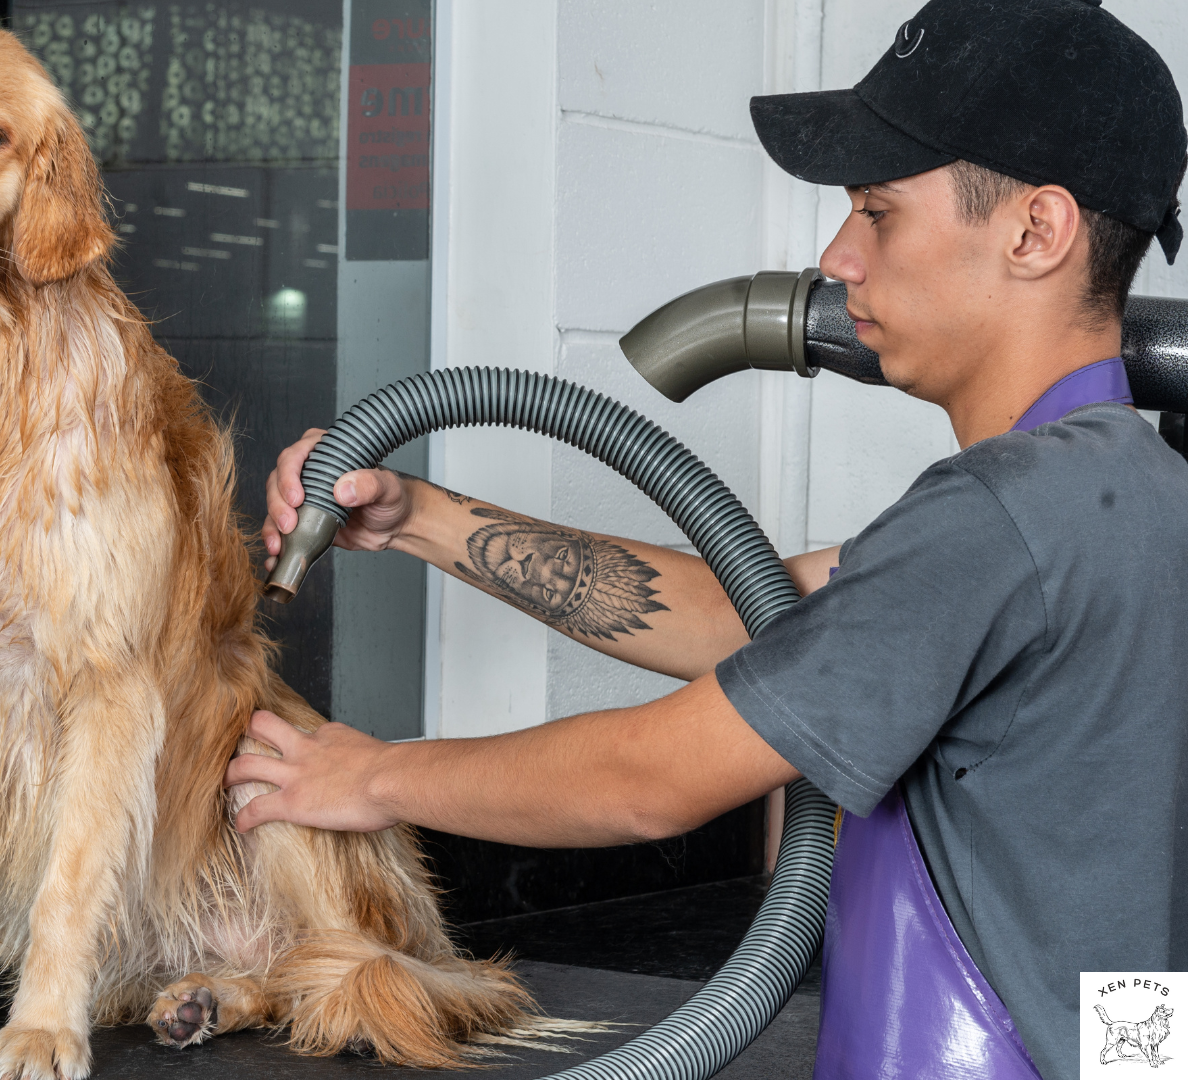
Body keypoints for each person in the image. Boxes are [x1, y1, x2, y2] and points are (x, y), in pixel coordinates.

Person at [230, 1, 1188, 1077]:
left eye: (877, 213)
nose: (839, 257)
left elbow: (650, 780)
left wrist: (368, 777)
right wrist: (424, 520)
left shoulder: (998, 518)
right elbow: (759, 614)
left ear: (1035, 230)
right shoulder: (1129, 494)